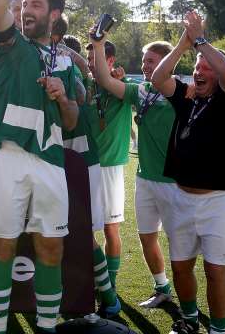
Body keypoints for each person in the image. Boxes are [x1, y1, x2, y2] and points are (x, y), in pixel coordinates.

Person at [0, 0, 79, 334]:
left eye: (36, 5)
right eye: (25, 4)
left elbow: (70, 122)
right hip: (10, 156)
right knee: (4, 246)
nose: (27, 11)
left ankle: (46, 327)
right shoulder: (12, 46)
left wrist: (63, 96)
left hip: (52, 160)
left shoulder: (66, 62)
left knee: (51, 248)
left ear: (54, 15)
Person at [151, 11, 225, 334]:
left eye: (206, 68)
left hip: (219, 200)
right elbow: (158, 79)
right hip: (181, 197)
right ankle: (189, 321)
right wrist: (183, 43)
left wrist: (202, 41)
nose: (199, 71)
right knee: (179, 267)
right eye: (196, 68)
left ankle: (218, 330)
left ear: (218, 74)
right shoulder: (188, 98)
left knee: (216, 271)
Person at [91, 38, 177, 309]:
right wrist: (98, 43)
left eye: (151, 61)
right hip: (145, 176)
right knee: (146, 236)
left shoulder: (182, 92)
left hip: (175, 181)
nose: (144, 66)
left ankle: (188, 311)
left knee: (181, 245)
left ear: (167, 63)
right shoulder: (142, 91)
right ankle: (162, 287)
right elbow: (104, 79)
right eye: (144, 61)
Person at [59, 34, 121, 318]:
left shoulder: (77, 76)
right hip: (59, 161)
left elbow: (85, 70)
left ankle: (107, 297)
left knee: (83, 234)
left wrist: (67, 54)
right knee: (59, 234)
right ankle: (87, 295)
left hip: (82, 163)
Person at [84, 38, 133, 291]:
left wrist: (118, 78)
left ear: (110, 60)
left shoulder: (121, 85)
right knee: (84, 228)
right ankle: (95, 279)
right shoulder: (86, 86)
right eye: (89, 58)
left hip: (110, 166)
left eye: (97, 58)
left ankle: (110, 284)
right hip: (86, 166)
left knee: (111, 228)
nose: (92, 63)